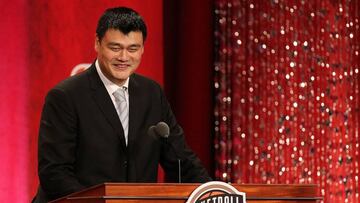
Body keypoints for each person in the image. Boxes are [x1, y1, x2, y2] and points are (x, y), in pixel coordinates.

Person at [33, 6, 211, 203]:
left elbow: (181, 160)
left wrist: (217, 193)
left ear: (143, 48)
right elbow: (55, 173)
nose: (124, 58)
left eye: (133, 48)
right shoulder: (65, 96)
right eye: (115, 48)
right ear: (97, 43)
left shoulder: (151, 93)